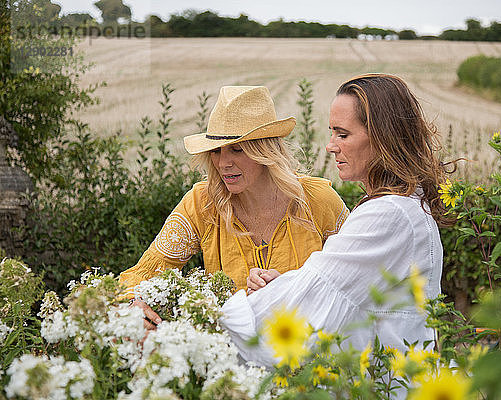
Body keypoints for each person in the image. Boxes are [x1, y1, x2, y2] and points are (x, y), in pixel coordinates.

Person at [220, 74, 451, 376]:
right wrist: (290, 284)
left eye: (342, 135)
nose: (330, 146)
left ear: (383, 137)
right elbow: (337, 289)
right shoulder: (398, 205)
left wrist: (208, 323)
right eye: (332, 133)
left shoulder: (388, 214)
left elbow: (314, 300)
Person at [119, 86, 349, 329]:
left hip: (312, 353)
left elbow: (359, 281)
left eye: (237, 150)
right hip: (228, 358)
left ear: (265, 151)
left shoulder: (317, 200)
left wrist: (290, 288)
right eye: (216, 151)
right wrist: (132, 302)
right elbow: (142, 272)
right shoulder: (203, 203)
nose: (223, 163)